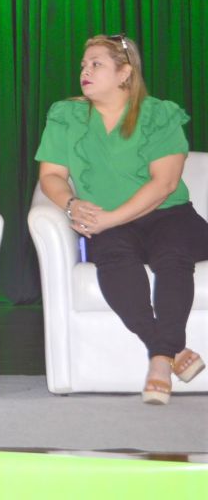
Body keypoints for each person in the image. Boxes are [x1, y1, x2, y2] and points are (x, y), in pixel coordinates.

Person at [36, 34, 208, 405]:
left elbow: (165, 183)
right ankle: (172, 354)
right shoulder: (65, 116)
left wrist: (110, 218)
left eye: (96, 64)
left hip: (168, 215)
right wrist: (70, 204)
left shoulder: (160, 114)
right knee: (114, 260)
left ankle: (159, 362)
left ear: (124, 73)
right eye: (83, 65)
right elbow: (50, 176)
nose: (85, 71)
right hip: (106, 222)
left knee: (172, 257)